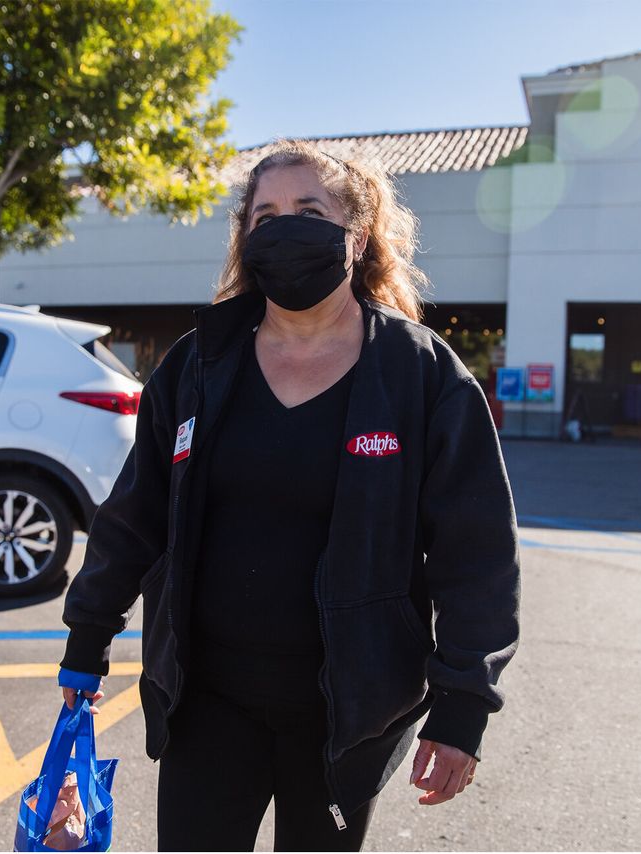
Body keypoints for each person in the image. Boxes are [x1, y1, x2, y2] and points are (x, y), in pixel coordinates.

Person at [56, 140, 521, 851]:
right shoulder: (198, 364)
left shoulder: (419, 373)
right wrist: (87, 640)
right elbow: (134, 516)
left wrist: (463, 709)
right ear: (245, 236)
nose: (284, 227)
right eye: (264, 214)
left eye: (309, 210)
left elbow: (477, 553)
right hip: (205, 702)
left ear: (356, 236)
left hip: (346, 714)